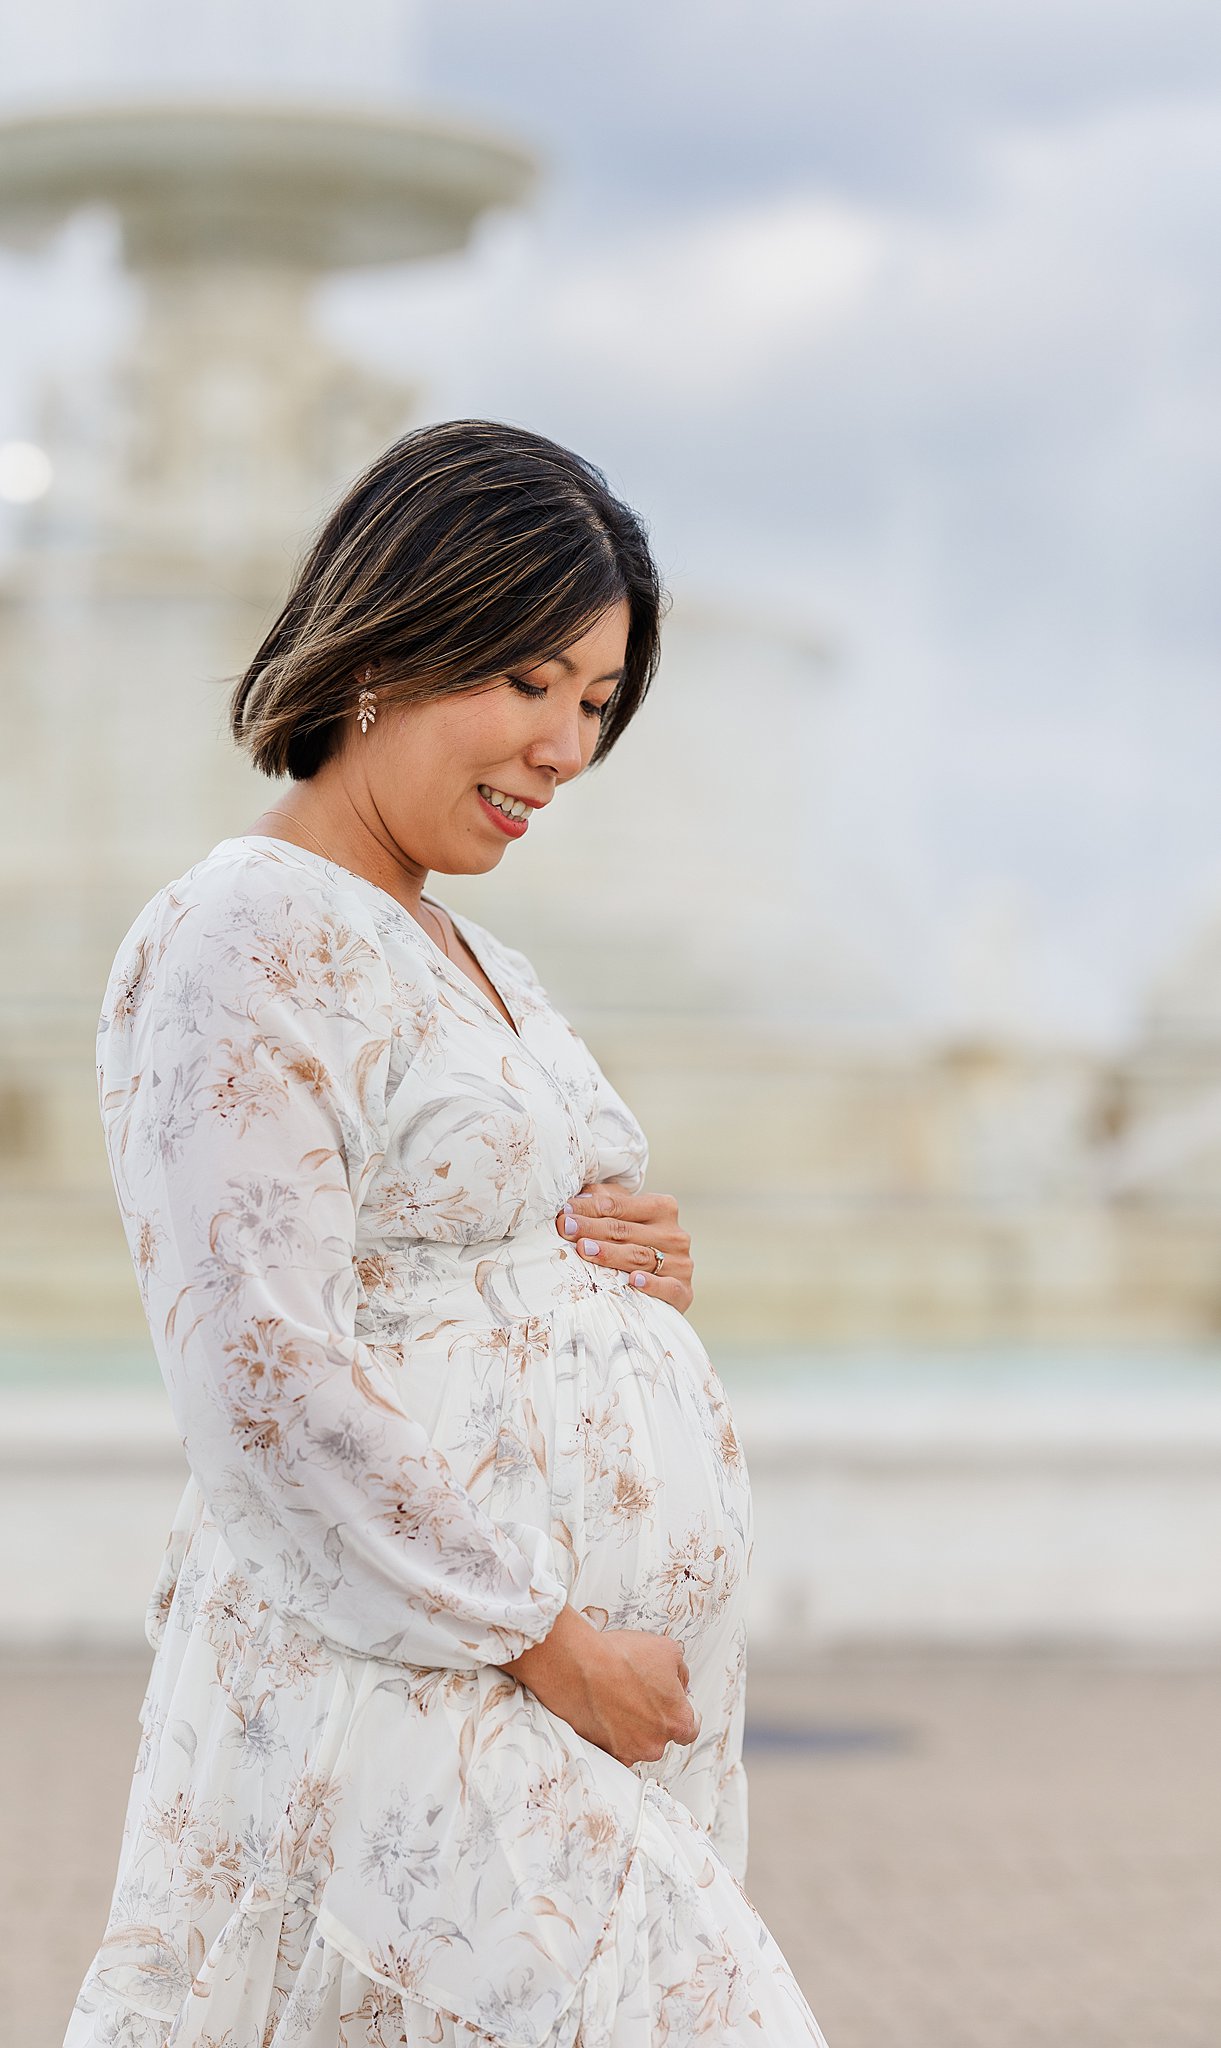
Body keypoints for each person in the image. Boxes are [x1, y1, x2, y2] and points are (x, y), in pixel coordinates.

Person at [64, 418, 830, 2047]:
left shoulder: (476, 953)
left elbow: (475, 1243)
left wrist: (626, 1277)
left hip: (565, 1693)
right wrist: (546, 1642)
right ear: (389, 645)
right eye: (530, 681)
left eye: (598, 705)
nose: (565, 746)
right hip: (417, 1677)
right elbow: (260, 1371)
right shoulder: (237, 933)